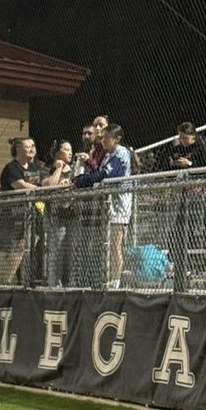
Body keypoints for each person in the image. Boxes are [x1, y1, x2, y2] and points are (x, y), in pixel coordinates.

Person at [74, 123, 132, 287]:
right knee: (106, 244)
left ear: (117, 139)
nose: (103, 141)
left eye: (106, 138)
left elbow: (106, 174)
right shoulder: (107, 154)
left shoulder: (121, 152)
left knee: (115, 244)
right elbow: (97, 172)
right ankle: (106, 277)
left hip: (120, 204)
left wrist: (81, 182)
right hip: (108, 203)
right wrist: (81, 178)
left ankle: (115, 281)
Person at [0, 136, 41, 285]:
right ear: (18, 149)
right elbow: (19, 185)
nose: (32, 149)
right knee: (14, 248)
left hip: (30, 214)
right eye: (28, 146)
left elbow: (42, 181)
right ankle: (5, 281)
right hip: (12, 215)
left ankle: (23, 280)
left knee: (30, 244)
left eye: (33, 146)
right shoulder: (12, 168)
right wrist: (41, 190)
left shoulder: (34, 168)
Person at [40, 139, 76, 287]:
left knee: (72, 253)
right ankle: (55, 285)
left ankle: (71, 284)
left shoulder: (75, 170)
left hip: (72, 215)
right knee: (57, 252)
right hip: (55, 217)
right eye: (66, 149)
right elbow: (49, 185)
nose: (70, 152)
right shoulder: (47, 170)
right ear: (57, 153)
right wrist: (58, 169)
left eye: (71, 150)